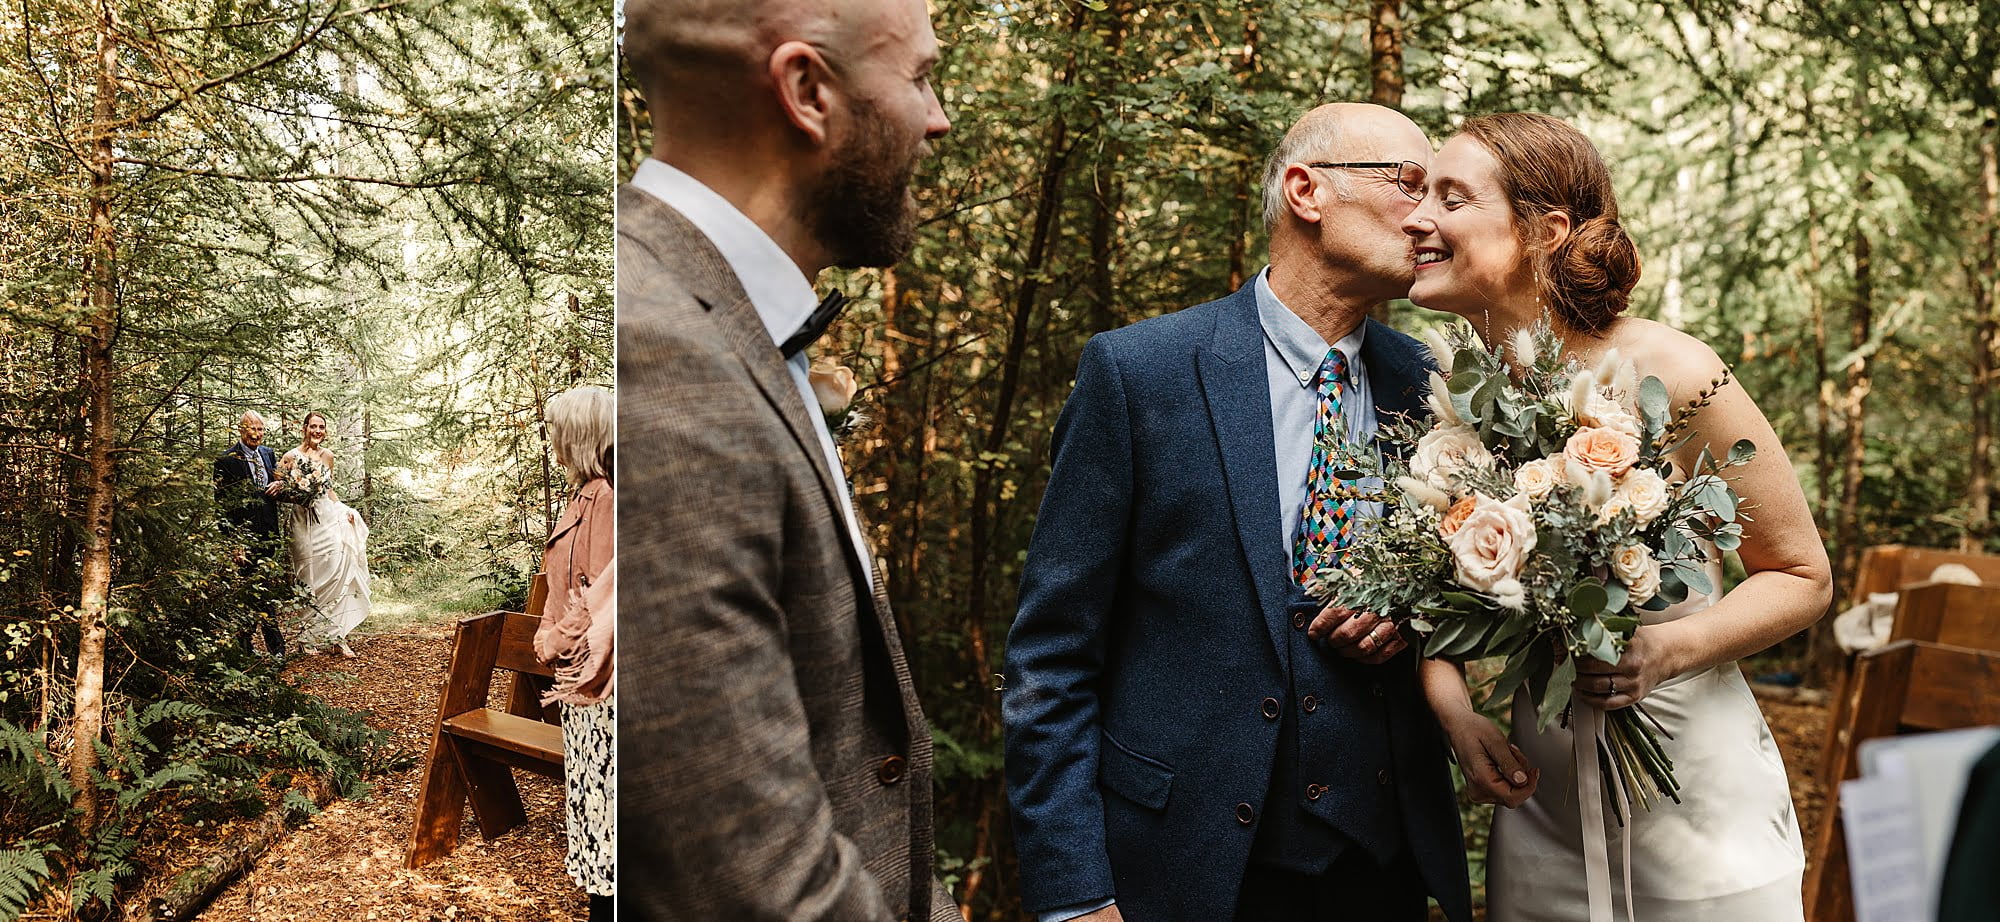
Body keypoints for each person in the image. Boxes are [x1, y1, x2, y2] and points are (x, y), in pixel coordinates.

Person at [1002, 103, 1472, 922]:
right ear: (1306, 191)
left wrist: (1410, 618)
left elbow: (1456, 596)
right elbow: (1052, 652)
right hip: (1183, 865)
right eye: (1408, 183)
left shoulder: (1429, 385)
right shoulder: (1138, 373)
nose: (1429, 215)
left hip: (1383, 865)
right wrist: (1075, 891)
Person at [1400, 111, 1831, 921]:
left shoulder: (1672, 369)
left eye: (1451, 197)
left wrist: (1669, 648)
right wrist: (1456, 712)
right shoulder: (1445, 393)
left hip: (1697, 815)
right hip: (1540, 819)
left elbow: (1803, 576)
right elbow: (1427, 598)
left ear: (1545, 229)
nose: (1420, 218)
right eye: (1420, 194)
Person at [616, 0, 959, 918]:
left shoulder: (737, 327)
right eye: (921, 76)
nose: (939, 117)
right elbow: (751, 880)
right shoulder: (659, 353)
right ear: (807, 90)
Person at [531, 384, 616, 922]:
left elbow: (598, 598)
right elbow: (560, 582)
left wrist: (551, 640)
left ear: (581, 436)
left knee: (607, 813)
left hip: (597, 684)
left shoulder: (607, 501)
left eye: (559, 429)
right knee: (589, 806)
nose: (552, 440)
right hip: (577, 687)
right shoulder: (581, 496)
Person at [277, 411, 371, 657]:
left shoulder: (328, 456)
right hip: (302, 519)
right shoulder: (290, 457)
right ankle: (306, 637)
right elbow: (279, 490)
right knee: (308, 576)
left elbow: (329, 491)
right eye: (313, 426)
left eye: (321, 427)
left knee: (335, 571)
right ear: (305, 428)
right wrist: (299, 494)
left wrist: (345, 510)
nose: (317, 431)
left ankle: (336, 635)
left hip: (327, 517)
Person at [214, 410, 287, 656]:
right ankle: (274, 649)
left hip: (268, 533)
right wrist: (234, 543)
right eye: (252, 429)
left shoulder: (267, 454)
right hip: (244, 539)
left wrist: (280, 484)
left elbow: (278, 481)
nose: (257, 434)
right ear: (241, 430)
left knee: (259, 592)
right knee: (256, 592)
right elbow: (222, 506)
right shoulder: (226, 460)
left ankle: (246, 648)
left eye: (261, 429)